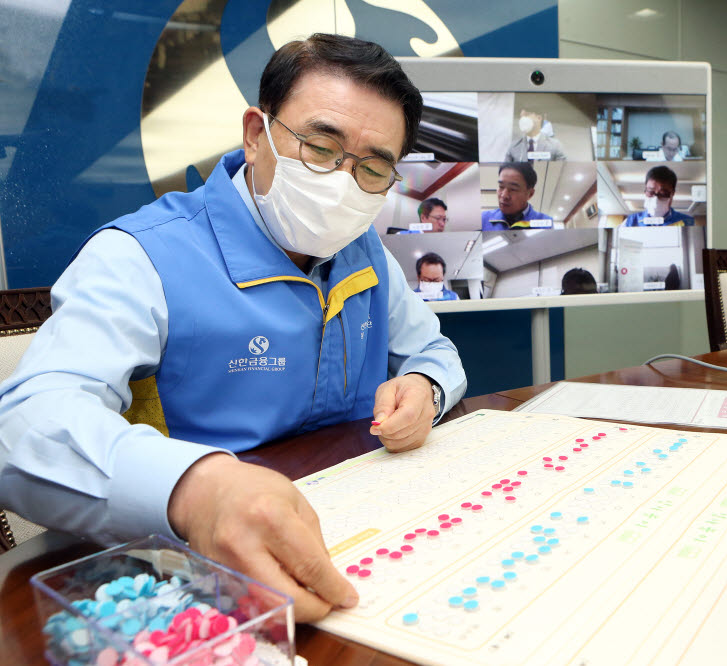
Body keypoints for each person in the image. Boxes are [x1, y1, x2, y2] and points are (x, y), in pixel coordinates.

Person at [0, 34, 467, 622]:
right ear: (256, 133)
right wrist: (195, 489)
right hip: (198, 576)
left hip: (365, 537)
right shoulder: (142, 257)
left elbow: (432, 347)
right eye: (321, 146)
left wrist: (426, 385)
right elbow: (22, 431)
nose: (343, 183)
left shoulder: (363, 251)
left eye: (372, 167)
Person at [481, 162, 553, 230]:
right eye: (501, 186)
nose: (504, 195)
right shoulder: (483, 218)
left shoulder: (546, 223)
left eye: (513, 189)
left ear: (530, 194)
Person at [623, 166, 694, 227]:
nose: (655, 200)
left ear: (672, 194)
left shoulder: (687, 222)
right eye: (651, 192)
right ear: (645, 191)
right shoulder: (631, 222)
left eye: (663, 194)